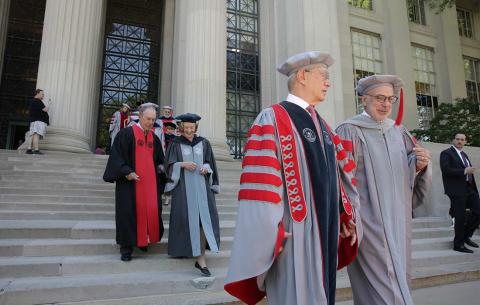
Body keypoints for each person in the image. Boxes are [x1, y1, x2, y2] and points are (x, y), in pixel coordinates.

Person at [225, 51, 359, 305]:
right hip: (294, 234)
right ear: (302, 76)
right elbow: (261, 183)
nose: (328, 82)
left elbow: (337, 178)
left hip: (325, 233)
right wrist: (268, 230)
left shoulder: (324, 126)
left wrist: (342, 214)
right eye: (323, 76)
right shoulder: (273, 119)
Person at [336, 74, 432, 305]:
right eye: (380, 98)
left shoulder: (399, 132)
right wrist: (347, 217)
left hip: (397, 220)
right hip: (368, 222)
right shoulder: (349, 130)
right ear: (364, 100)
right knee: (382, 288)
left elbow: (408, 173)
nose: (386, 104)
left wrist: (419, 165)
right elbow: (339, 178)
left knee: (396, 279)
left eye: (391, 99)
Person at [103, 104, 165, 262]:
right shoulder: (126, 134)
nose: (151, 122)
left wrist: (161, 168)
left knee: (151, 211)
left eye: (153, 119)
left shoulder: (155, 138)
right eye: (148, 119)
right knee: (128, 214)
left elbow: (159, 160)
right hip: (129, 184)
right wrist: (126, 171)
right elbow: (116, 156)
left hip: (150, 185)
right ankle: (126, 248)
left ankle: (144, 241)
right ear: (140, 117)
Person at [164, 113, 220, 277]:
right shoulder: (175, 143)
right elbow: (169, 164)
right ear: (181, 128)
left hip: (202, 189)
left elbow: (210, 162)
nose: (189, 131)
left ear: (196, 128)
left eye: (192, 128)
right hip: (183, 190)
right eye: (186, 128)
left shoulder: (204, 143)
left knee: (203, 221)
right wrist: (182, 164)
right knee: (184, 219)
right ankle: (183, 249)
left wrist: (206, 168)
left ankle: (201, 259)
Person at [440, 133, 480, 253]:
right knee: (460, 217)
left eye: (462, 140)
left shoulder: (464, 154)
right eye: (458, 139)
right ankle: (458, 244)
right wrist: (464, 171)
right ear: (453, 140)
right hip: (457, 190)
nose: (460, 141)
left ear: (465, 142)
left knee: (478, 212)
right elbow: (446, 169)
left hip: (470, 189)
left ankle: (465, 236)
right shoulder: (447, 153)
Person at [26, 89, 49, 154]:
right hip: (38, 121)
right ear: (37, 94)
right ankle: (36, 150)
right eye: (42, 94)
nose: (43, 96)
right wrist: (49, 104)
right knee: (36, 135)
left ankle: (29, 149)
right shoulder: (38, 101)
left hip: (33, 120)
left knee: (32, 134)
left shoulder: (32, 101)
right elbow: (45, 110)